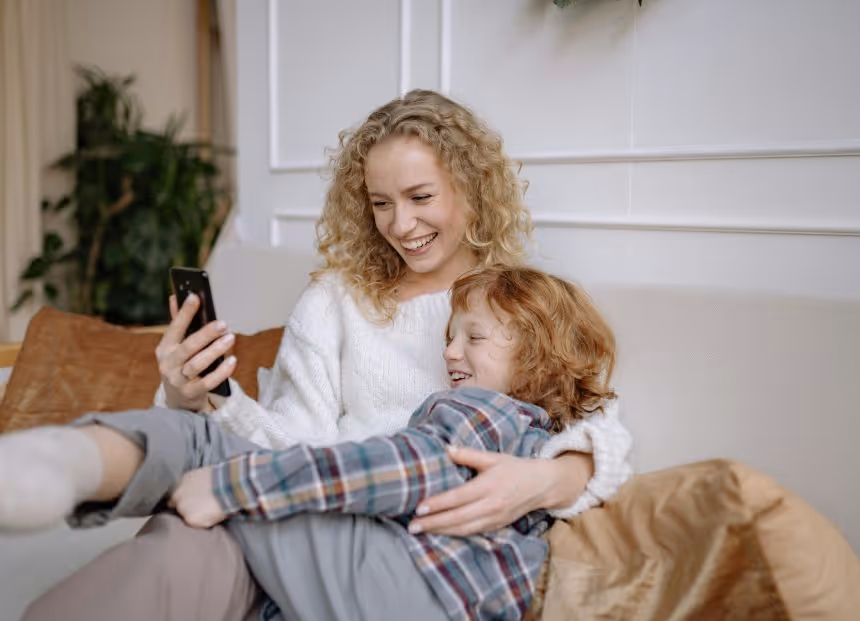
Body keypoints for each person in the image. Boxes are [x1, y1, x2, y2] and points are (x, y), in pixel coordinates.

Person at [11, 90, 633, 621]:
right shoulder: (336, 299)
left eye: (420, 197)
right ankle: (47, 473)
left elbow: (591, 418)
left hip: (386, 548)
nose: (401, 224)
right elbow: (290, 441)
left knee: (201, 488)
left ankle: (75, 459)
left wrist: (547, 479)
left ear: (471, 189)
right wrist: (199, 398)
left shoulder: (513, 302)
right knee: (176, 546)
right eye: (381, 203)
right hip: (300, 506)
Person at [1, 265, 619, 621]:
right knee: (184, 533)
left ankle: (67, 461)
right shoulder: (526, 428)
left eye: (473, 339)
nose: (451, 352)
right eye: (449, 338)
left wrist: (237, 484)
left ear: (538, 358)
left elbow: (409, 467)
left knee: (203, 447)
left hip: (412, 583)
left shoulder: (485, 410)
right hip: (389, 581)